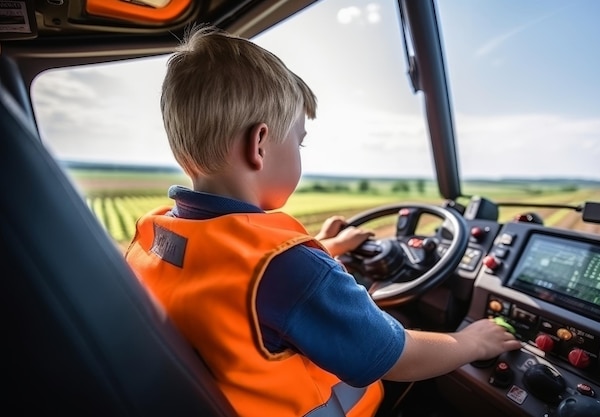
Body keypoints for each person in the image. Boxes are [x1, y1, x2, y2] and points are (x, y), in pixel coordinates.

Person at [125, 24, 521, 417]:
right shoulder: (290, 268)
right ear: (259, 144)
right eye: (299, 141)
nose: (300, 151)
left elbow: (224, 273)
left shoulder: (158, 233)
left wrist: (326, 248)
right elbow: (397, 357)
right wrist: (471, 342)